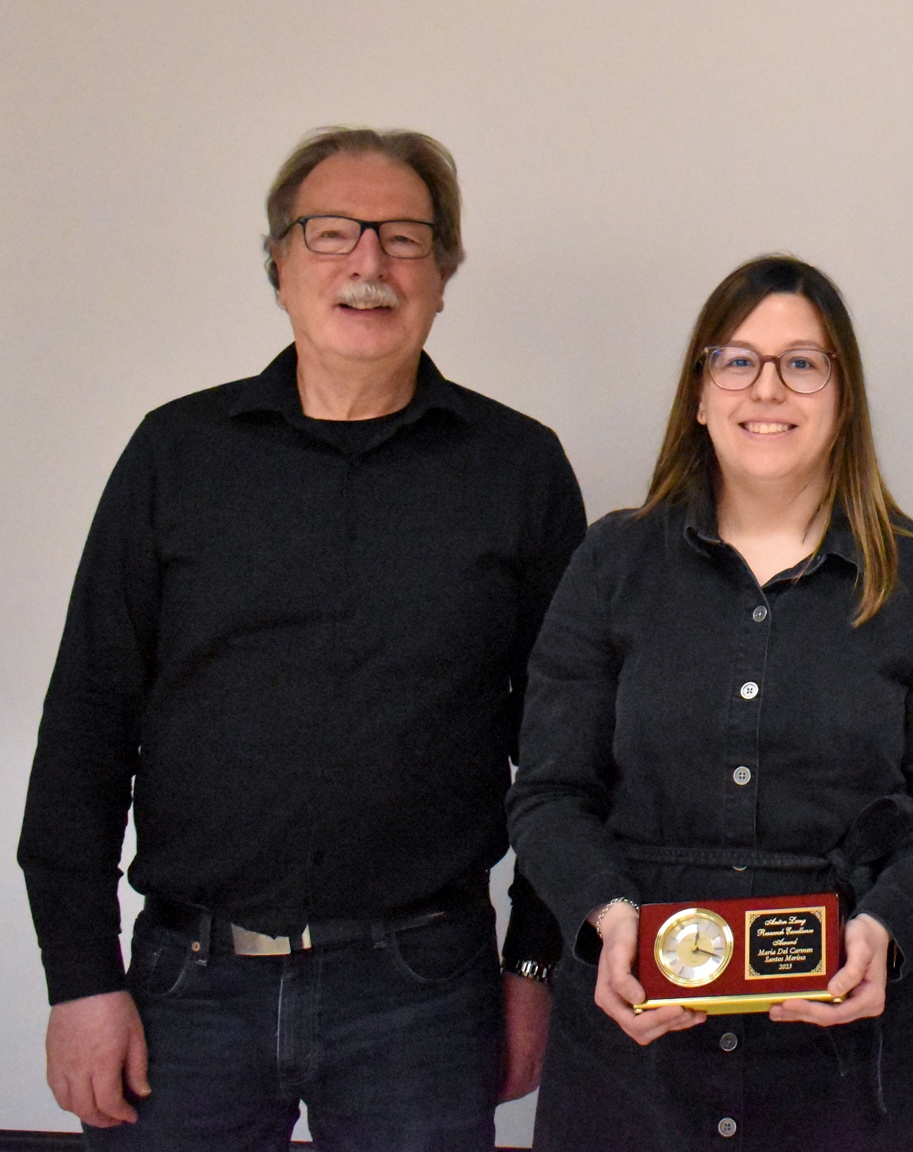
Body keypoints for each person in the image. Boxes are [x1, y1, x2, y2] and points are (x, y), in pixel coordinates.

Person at [18, 127, 585, 1149]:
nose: (368, 263)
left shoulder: (518, 469)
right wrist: (78, 980)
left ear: (444, 275)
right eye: (331, 234)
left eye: (404, 238)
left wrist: (534, 965)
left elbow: (568, 749)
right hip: (184, 990)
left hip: (424, 990)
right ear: (278, 263)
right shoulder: (175, 455)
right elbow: (86, 726)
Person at [505, 255, 913, 1151]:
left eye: (802, 363)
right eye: (737, 360)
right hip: (639, 1052)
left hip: (857, 1058)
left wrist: (889, 927)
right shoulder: (611, 563)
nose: (767, 387)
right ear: (699, 393)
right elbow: (548, 791)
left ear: (842, 396)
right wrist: (608, 919)